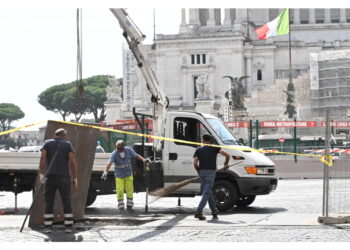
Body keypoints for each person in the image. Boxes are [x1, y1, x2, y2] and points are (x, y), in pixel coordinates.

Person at [39, 128, 78, 234]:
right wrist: (75, 177)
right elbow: (72, 161)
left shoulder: (47, 143)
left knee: (49, 202)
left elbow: (42, 159)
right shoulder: (67, 144)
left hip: (50, 177)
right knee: (66, 202)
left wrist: (42, 174)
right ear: (63, 135)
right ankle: (68, 227)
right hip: (64, 177)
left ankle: (47, 227)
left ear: (55, 134)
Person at [102, 140, 149, 213]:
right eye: (117, 148)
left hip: (128, 174)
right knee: (120, 190)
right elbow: (109, 163)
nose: (118, 150)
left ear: (124, 147)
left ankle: (129, 208)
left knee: (130, 190)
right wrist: (105, 171)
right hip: (119, 175)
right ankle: (121, 208)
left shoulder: (129, 150)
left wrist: (143, 160)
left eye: (120, 148)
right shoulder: (114, 153)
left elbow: (136, 155)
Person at [193, 134, 230, 220]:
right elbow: (227, 155)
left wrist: (199, 171)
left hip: (202, 173)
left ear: (203, 140)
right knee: (206, 193)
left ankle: (214, 211)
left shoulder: (198, 149)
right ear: (210, 140)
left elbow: (195, 163)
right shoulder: (215, 148)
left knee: (207, 192)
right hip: (211, 173)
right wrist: (226, 164)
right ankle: (198, 211)